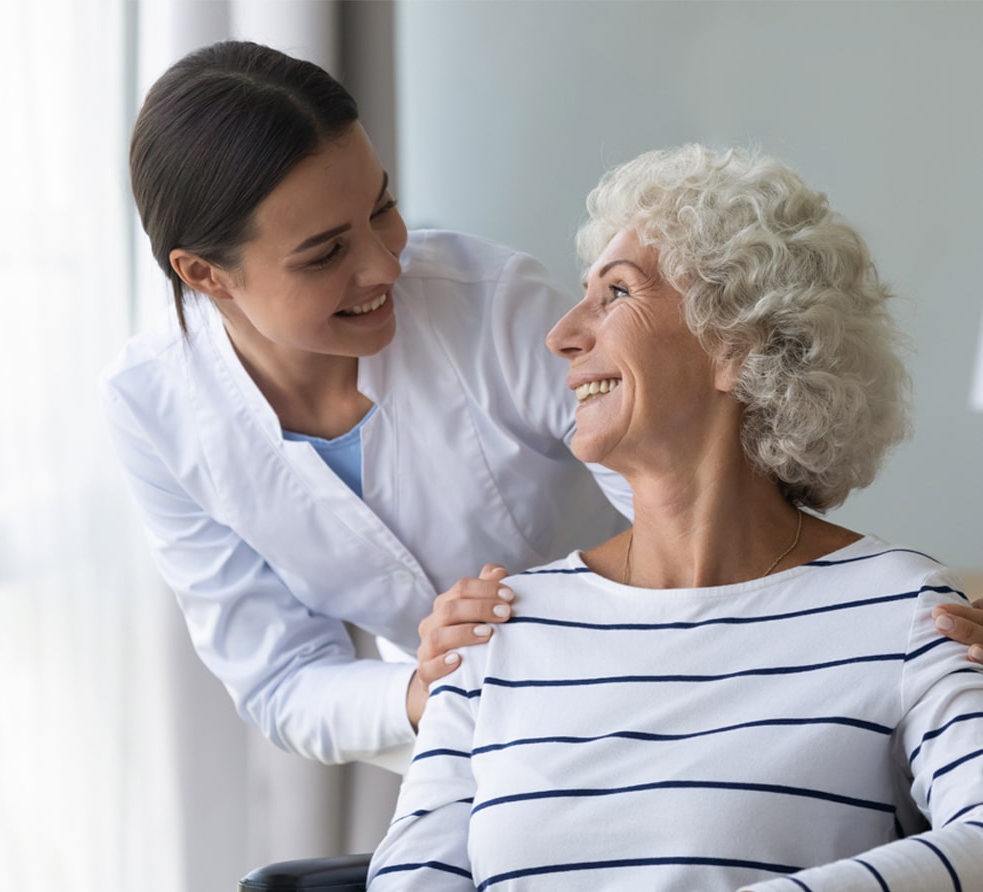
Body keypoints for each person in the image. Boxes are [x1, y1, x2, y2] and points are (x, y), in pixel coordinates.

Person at [102, 40, 983, 771]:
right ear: (205, 273)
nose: (383, 267)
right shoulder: (155, 411)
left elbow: (689, 502)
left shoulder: (489, 305)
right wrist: (424, 683)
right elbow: (284, 680)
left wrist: (879, 621)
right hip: (471, 754)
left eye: (384, 210)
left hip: (673, 688)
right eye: (327, 252)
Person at [272, 145, 983, 892]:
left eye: (616, 292)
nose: (565, 333)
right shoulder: (502, 630)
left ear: (739, 341)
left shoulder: (901, 612)